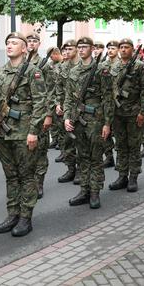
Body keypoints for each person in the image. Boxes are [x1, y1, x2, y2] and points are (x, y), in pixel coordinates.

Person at [0, 33, 47, 237]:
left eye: (14, 43)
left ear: (24, 48)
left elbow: (40, 103)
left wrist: (33, 131)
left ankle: (25, 217)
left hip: (24, 132)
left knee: (26, 176)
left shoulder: (32, 72)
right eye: (7, 43)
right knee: (11, 176)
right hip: (3, 133)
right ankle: (12, 214)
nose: (9, 46)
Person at [64, 37, 112, 209]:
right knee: (82, 157)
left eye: (85, 47)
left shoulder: (101, 70)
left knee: (95, 157)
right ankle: (84, 190)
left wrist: (107, 123)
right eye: (80, 47)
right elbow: (68, 97)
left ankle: (95, 192)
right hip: (78, 120)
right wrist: (67, 118)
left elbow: (108, 98)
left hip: (95, 121)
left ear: (92, 49)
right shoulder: (74, 71)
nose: (82, 49)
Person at [109, 38, 144, 190]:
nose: (123, 50)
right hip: (117, 113)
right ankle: (122, 175)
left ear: (132, 49)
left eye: (127, 47)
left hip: (134, 113)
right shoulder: (114, 66)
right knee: (120, 145)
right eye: (121, 47)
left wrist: (142, 112)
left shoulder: (140, 66)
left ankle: (133, 177)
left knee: (133, 146)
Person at [26, 33, 54, 198]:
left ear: (39, 44)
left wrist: (48, 114)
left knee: (41, 151)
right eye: (29, 41)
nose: (31, 44)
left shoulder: (43, 65)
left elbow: (50, 91)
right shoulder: (21, 63)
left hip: (41, 112)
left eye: (34, 41)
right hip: (24, 115)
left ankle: (39, 182)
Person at [54, 39, 79, 182]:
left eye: (70, 49)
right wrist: (58, 103)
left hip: (80, 109)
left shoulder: (84, 66)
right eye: (66, 50)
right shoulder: (62, 67)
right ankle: (71, 169)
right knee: (67, 141)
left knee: (80, 142)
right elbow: (59, 88)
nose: (67, 52)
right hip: (66, 108)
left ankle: (81, 170)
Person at [101, 40, 120, 167]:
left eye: (113, 48)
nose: (110, 50)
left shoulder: (122, 64)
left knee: (119, 132)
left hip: (119, 103)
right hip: (105, 103)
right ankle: (109, 156)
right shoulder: (103, 65)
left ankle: (120, 157)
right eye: (108, 48)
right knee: (105, 130)